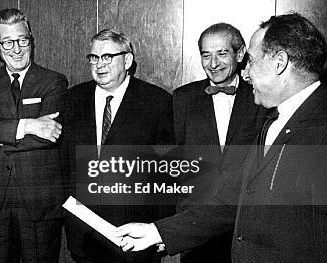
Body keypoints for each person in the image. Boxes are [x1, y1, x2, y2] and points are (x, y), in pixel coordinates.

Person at [115, 13, 327, 263]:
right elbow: (237, 197)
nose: (246, 73)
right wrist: (157, 232)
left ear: (279, 62)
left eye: (253, 62)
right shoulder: (274, 121)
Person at [64, 28, 174, 263]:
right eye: (93, 57)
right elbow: (63, 162)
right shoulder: (73, 98)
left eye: (107, 57)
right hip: (83, 234)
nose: (99, 65)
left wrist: (161, 229)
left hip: (134, 234)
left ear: (127, 60)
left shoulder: (156, 102)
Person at [0, 8, 68, 263]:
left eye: (22, 40)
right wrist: (27, 125)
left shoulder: (53, 81)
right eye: (8, 42)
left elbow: (46, 136)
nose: (16, 49)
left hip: (39, 203)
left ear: (31, 40)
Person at [172, 23, 266, 263]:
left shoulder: (262, 98)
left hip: (245, 224)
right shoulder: (183, 98)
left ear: (241, 53)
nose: (213, 63)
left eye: (222, 53)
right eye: (206, 55)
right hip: (196, 224)